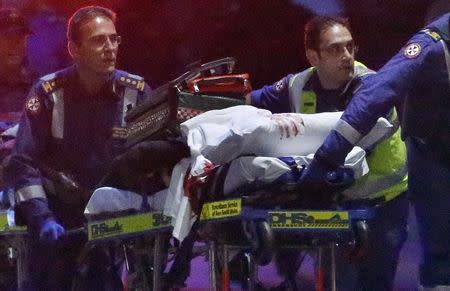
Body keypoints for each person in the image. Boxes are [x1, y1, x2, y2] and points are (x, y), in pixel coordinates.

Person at [246, 16, 408, 290]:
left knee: (375, 283)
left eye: (350, 47)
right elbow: (247, 102)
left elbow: (343, 145)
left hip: (384, 203)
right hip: (338, 203)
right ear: (313, 57)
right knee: (338, 282)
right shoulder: (297, 85)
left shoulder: (371, 85)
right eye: (335, 49)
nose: (347, 56)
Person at [3, 6, 154, 290]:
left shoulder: (136, 92)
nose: (110, 48)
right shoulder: (48, 93)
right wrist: (42, 218)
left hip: (112, 223)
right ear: (74, 49)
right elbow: (23, 163)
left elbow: (161, 153)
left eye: (114, 39)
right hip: (58, 223)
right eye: (99, 40)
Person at [301, 13, 450, 290]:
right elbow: (376, 94)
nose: (345, 55)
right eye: (334, 48)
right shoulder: (432, 45)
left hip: (398, 190)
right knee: (441, 262)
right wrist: (327, 156)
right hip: (435, 160)